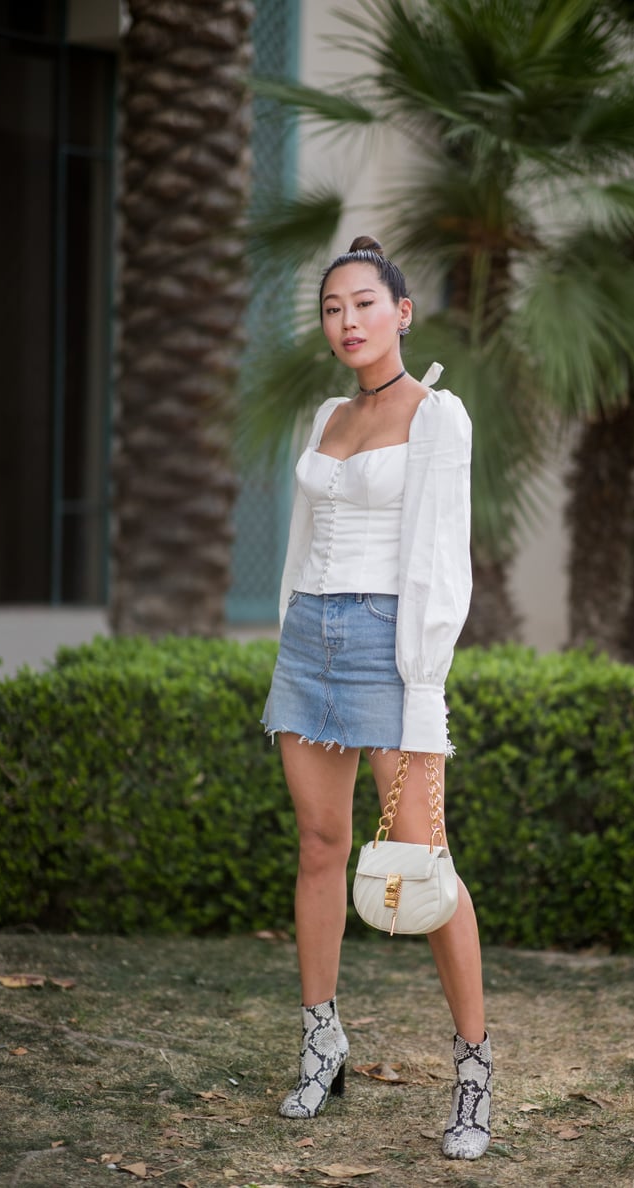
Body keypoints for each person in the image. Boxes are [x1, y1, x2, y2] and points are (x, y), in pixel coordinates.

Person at [261, 235, 491, 1160]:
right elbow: (301, 541)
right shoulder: (324, 414)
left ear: (401, 313)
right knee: (321, 846)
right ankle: (323, 1041)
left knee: (423, 859)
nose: (347, 321)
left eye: (364, 304)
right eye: (331, 308)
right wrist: (289, 633)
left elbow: (443, 559)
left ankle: (473, 1071)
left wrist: (422, 682)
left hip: (388, 648)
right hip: (308, 639)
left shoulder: (439, 416)